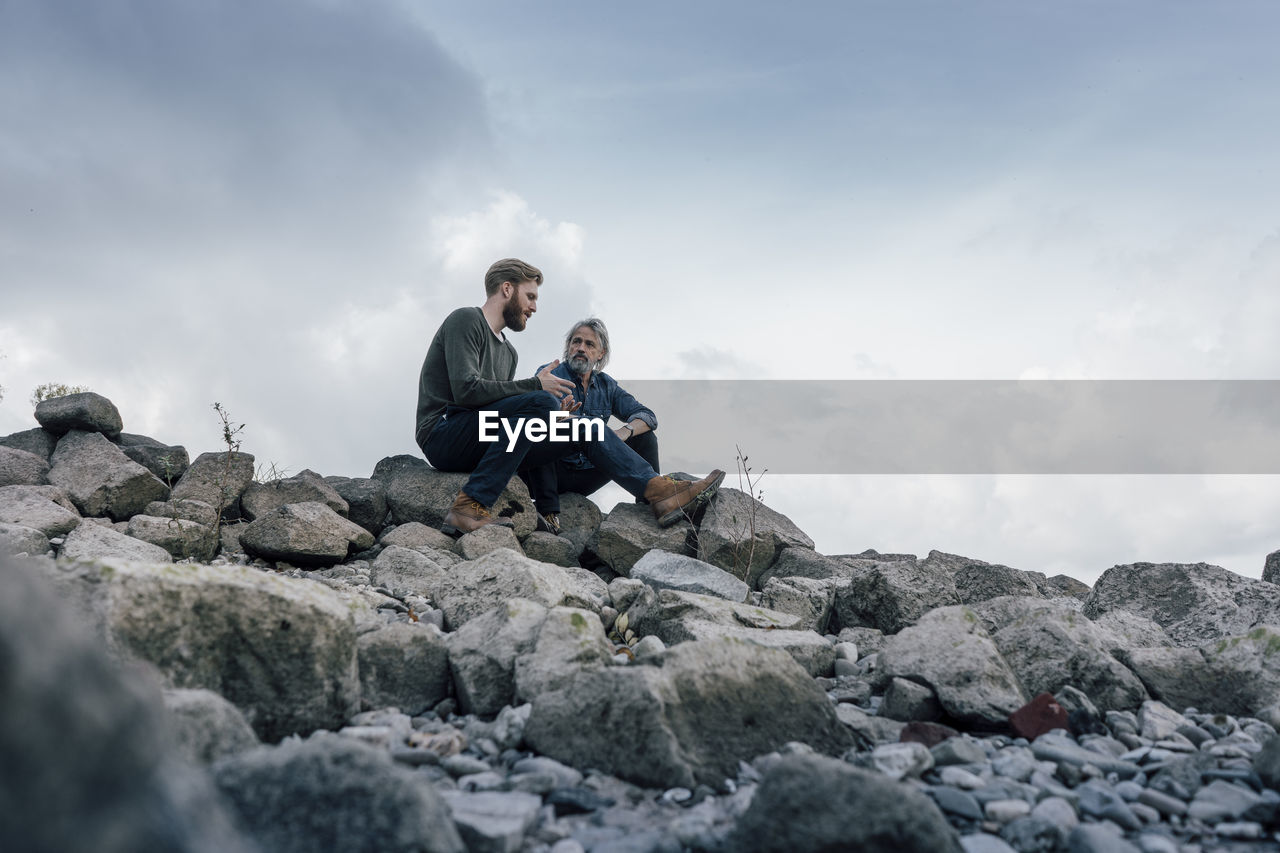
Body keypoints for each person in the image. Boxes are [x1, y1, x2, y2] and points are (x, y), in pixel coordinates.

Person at [415, 258, 724, 536]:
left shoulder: (508, 352)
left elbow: (507, 418)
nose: (534, 307)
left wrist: (554, 419)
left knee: (586, 427)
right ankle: (470, 506)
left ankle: (657, 492)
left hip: (482, 436)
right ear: (507, 289)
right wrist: (537, 389)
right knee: (542, 403)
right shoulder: (466, 320)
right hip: (444, 432)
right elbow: (467, 392)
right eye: (531, 296)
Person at [520, 317, 661, 535]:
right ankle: (548, 514)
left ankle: (654, 503)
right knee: (541, 427)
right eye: (576, 342)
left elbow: (648, 416)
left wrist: (624, 432)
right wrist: (558, 418)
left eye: (589, 344)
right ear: (568, 347)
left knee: (645, 438)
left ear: (600, 353)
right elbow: (531, 421)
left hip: (587, 472)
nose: (581, 348)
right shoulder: (551, 375)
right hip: (551, 471)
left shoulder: (607, 385)